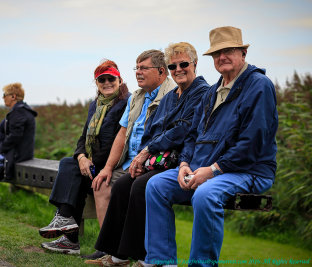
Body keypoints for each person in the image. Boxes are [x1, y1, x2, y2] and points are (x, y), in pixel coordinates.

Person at [144, 26, 278, 266]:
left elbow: (252, 143)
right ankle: (161, 261)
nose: (222, 57)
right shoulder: (212, 91)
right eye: (217, 53)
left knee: (205, 195)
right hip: (203, 167)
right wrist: (185, 163)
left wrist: (213, 170)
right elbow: (193, 135)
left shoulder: (259, 86)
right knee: (156, 185)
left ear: (243, 53)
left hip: (248, 170)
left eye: (228, 51)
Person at [88, 43, 209, 266]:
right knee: (124, 184)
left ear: (195, 64)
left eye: (183, 64)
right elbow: (152, 129)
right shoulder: (173, 96)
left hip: (182, 161)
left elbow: (183, 129)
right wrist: (144, 157)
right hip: (159, 159)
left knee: (140, 186)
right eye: (174, 65)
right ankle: (118, 254)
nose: (178, 69)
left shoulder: (202, 92)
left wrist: (146, 153)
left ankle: (143, 256)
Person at [86, 49, 176, 260]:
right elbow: (123, 132)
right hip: (129, 161)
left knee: (132, 187)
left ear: (161, 71)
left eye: (144, 68)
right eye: (137, 68)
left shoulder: (171, 96)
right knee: (101, 183)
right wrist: (108, 168)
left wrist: (143, 160)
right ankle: (108, 248)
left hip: (153, 163)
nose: (138, 72)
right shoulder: (137, 96)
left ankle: (130, 253)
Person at [38, 60, 130, 255]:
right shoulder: (94, 105)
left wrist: (91, 162)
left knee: (73, 172)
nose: (107, 83)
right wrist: (81, 157)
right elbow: (83, 137)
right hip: (93, 164)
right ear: (96, 83)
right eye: (101, 80)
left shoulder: (126, 103)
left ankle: (68, 234)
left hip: (112, 166)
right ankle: (67, 229)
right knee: (71, 164)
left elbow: (117, 142)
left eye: (111, 79)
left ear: (120, 80)